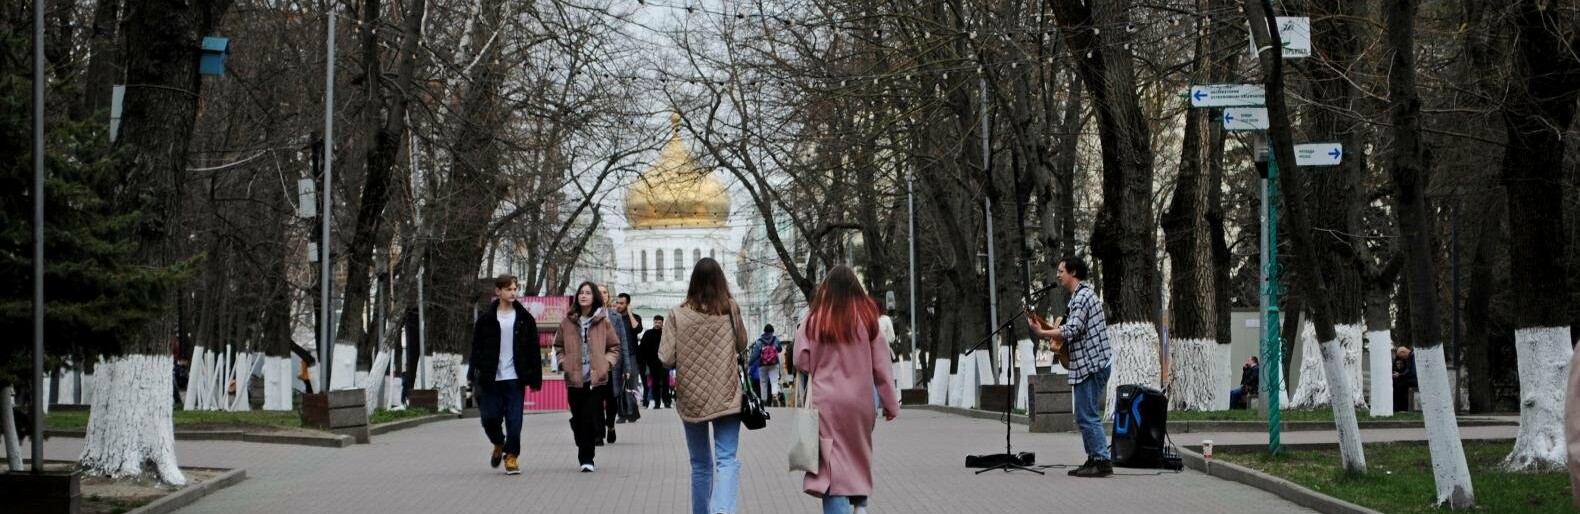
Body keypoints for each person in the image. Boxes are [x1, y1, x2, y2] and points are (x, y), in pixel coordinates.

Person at [794, 265, 900, 514]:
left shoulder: (814, 319)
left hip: (826, 402)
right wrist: (890, 403)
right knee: (855, 454)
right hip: (860, 403)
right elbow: (882, 367)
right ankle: (860, 504)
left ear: (826, 290)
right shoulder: (867, 319)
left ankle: (843, 508)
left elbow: (801, 359)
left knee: (831, 463)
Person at [659, 258, 749, 514]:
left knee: (700, 464)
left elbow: (666, 358)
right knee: (726, 459)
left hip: (692, 397)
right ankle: (722, 510)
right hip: (727, 394)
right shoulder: (730, 309)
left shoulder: (677, 314)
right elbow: (742, 344)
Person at [1028, 256, 1113, 478]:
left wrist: (1043, 333)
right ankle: (1094, 458)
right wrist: (1049, 330)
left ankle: (1102, 461)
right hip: (1086, 365)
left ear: (1073, 272)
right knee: (1083, 415)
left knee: (1087, 415)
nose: (1057, 275)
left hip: (1092, 365)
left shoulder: (1083, 297)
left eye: (1061, 271)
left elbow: (1072, 330)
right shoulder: (1077, 297)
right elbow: (1070, 331)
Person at [466, 274, 543, 475]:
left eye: (515, 288)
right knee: (489, 419)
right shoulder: (485, 320)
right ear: (498, 291)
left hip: (514, 378)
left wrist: (535, 377)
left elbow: (533, 350)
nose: (513, 292)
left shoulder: (525, 319)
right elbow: (476, 348)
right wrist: (470, 373)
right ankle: (499, 443)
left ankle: (511, 457)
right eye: (508, 289)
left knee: (514, 421)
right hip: (490, 378)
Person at [553, 281, 622, 472]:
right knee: (578, 417)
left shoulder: (602, 322)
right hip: (574, 379)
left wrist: (606, 363)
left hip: (596, 380)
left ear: (594, 298)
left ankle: (587, 458)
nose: (583, 296)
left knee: (590, 417)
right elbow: (558, 346)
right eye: (581, 293)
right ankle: (580, 438)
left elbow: (614, 347)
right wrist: (562, 362)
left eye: (588, 293)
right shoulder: (567, 322)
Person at [608, 288, 642, 425]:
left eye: (622, 303)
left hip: (632, 355)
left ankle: (632, 412)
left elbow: (637, 329)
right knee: (617, 385)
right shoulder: (614, 318)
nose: (618, 305)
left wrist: (629, 312)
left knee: (631, 384)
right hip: (617, 355)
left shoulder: (635, 317)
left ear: (627, 304)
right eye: (617, 303)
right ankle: (621, 414)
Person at [640, 315, 670, 408]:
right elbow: (643, 348)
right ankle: (657, 403)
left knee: (666, 383)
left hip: (664, 362)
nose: (657, 324)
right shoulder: (648, 333)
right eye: (656, 322)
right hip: (652, 363)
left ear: (662, 323)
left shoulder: (666, 334)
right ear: (653, 322)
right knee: (655, 383)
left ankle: (666, 402)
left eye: (659, 322)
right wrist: (644, 362)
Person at [755, 325, 782, 407]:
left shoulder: (759, 341)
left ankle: (764, 400)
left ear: (764, 331)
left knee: (763, 382)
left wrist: (750, 363)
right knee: (774, 381)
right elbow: (780, 349)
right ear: (772, 332)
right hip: (774, 364)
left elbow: (755, 354)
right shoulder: (775, 340)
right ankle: (774, 396)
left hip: (762, 364)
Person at [1392, 346, 1417, 412]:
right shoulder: (1411, 357)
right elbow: (1409, 371)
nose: (1402, 358)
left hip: (1414, 381)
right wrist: (1400, 375)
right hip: (1412, 379)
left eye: (1401, 356)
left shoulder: (1413, 357)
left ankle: (1397, 408)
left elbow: (1413, 373)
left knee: (1398, 386)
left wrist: (1400, 375)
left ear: (1403, 352)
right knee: (1397, 384)